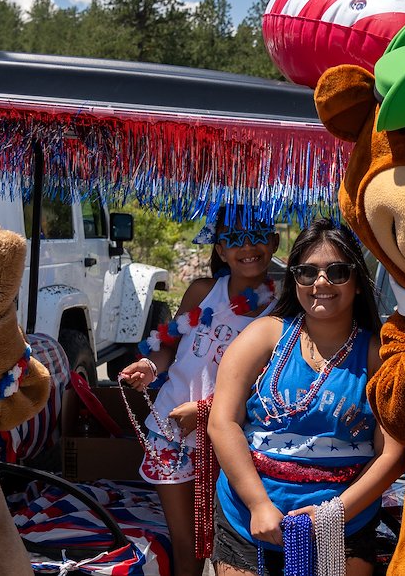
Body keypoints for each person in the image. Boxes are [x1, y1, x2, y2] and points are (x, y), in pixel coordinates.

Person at [208, 218, 405, 576]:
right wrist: (258, 505)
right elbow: (223, 423)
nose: (321, 283)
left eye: (337, 272)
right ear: (294, 279)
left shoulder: (378, 355)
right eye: (307, 272)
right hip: (248, 519)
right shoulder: (264, 336)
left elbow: (391, 455)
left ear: (358, 283)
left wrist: (333, 514)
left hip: (344, 522)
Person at [119, 206, 280, 576]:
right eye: (234, 239)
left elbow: (262, 385)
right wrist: (150, 366)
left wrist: (206, 410)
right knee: (186, 542)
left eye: (257, 236)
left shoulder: (278, 310)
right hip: (170, 433)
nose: (247, 247)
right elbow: (169, 344)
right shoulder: (202, 291)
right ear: (221, 250)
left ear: (272, 243)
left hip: (228, 439)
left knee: (226, 540)